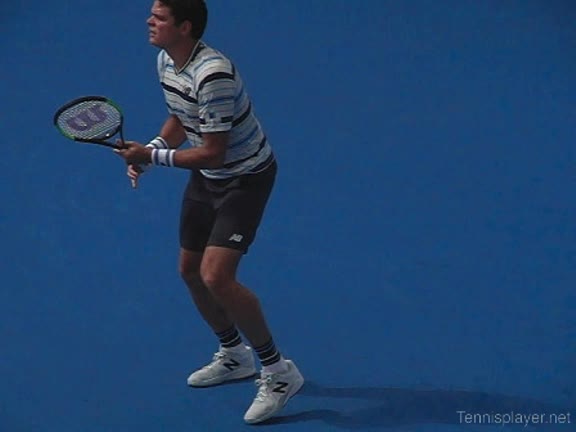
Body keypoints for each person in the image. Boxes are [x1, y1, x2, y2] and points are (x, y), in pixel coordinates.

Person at [114, 0, 304, 425]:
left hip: (244, 178)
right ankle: (235, 355)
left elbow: (214, 153)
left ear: (184, 27)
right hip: (208, 177)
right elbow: (182, 116)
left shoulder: (212, 74)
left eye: (159, 17)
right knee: (190, 271)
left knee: (217, 276)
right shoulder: (167, 61)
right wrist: (154, 148)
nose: (149, 21)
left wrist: (152, 157)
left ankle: (278, 372)